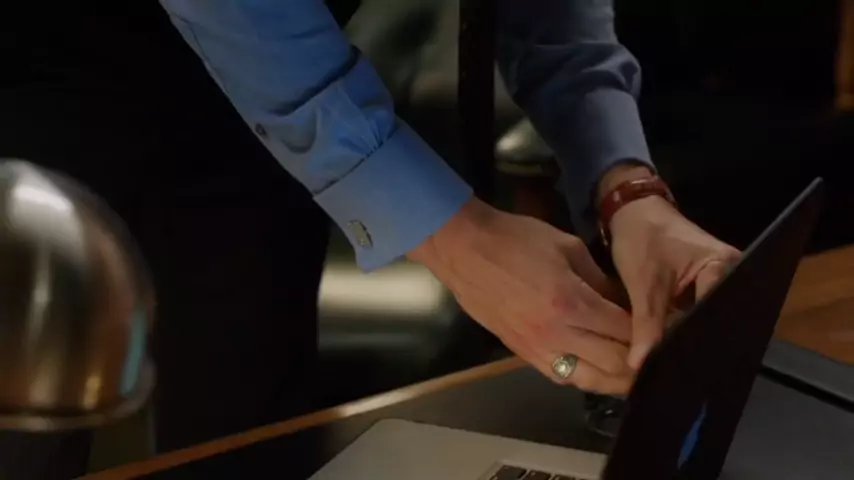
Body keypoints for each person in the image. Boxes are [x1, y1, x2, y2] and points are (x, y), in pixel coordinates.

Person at [0, 0, 739, 478]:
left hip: (256, 122)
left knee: (246, 449)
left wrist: (625, 186)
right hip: (30, 83)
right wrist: (457, 238)